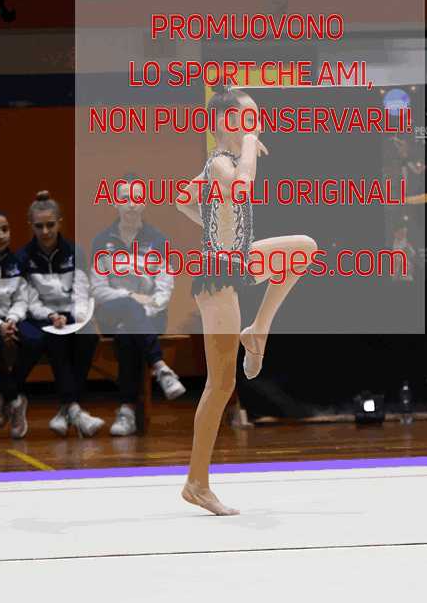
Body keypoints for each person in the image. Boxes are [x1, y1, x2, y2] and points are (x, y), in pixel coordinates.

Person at [178, 86, 317, 515]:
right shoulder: (222, 162)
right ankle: (196, 483)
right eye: (248, 118)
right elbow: (243, 186)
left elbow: (182, 200)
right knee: (221, 385)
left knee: (303, 249)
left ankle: (258, 329)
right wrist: (251, 148)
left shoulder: (220, 164)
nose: (255, 125)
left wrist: (213, 224)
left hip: (235, 259)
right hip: (217, 277)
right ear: (225, 122)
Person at [91, 176, 185, 436]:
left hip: (151, 314)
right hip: (111, 312)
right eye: (125, 198)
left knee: (127, 332)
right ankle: (161, 368)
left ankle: (126, 410)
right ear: (115, 203)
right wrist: (131, 298)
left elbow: (164, 289)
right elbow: (98, 289)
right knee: (128, 315)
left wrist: (144, 309)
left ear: (144, 203)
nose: (131, 204)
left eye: (137, 198)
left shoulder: (159, 240)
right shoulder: (102, 241)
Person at [17, 191, 104, 437]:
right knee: (55, 339)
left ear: (60, 223)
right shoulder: (23, 257)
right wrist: (51, 316)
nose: (45, 231)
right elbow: (27, 299)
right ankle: (74, 408)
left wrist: (75, 316)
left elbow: (82, 291)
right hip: (41, 317)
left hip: (71, 314)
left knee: (88, 336)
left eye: (50, 225)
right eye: (39, 226)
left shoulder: (75, 251)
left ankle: (67, 408)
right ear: (31, 225)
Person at [0, 206, 33, 438]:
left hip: (10, 318)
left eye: (5, 229)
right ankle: (15, 399)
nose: (1, 235)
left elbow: (22, 299)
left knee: (35, 340)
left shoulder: (17, 261)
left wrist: (12, 319)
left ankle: (2, 394)